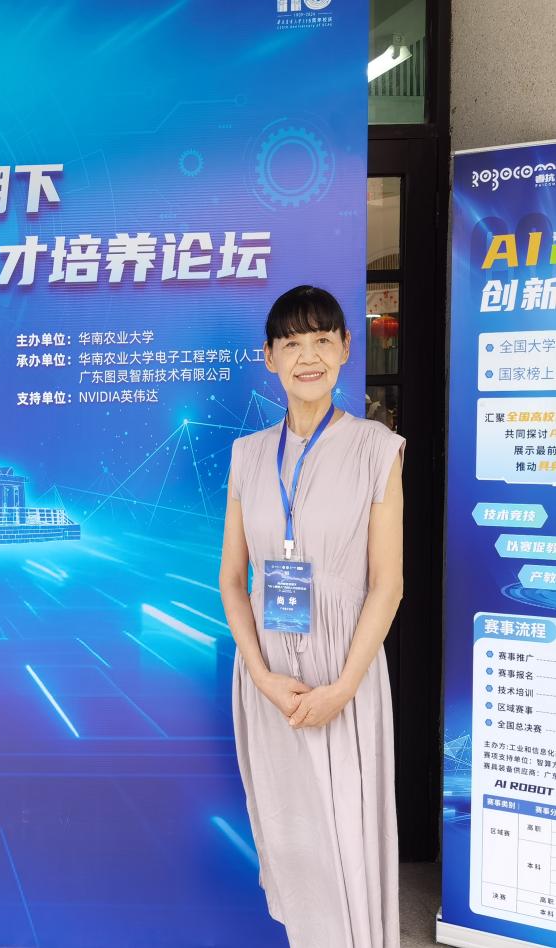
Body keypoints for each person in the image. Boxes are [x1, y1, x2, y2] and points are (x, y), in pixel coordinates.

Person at [219, 285, 405, 947]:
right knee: (293, 841)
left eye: (323, 340)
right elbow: (232, 581)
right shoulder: (248, 454)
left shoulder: (377, 447)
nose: (308, 356)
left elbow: (388, 584)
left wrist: (344, 688)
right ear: (268, 356)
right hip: (270, 675)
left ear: (347, 349)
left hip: (344, 673)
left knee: (347, 838)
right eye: (292, 343)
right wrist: (263, 677)